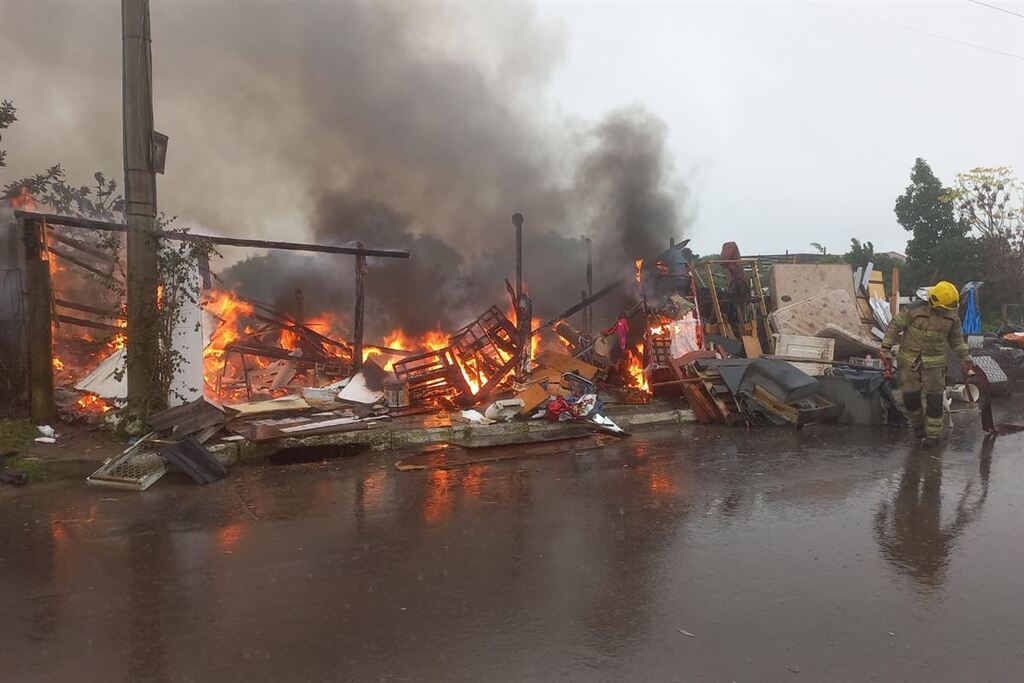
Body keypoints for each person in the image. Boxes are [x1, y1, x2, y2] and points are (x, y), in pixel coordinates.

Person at [880, 281, 973, 447]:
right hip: (910, 361)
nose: (947, 310)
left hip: (935, 365)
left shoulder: (952, 316)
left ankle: (933, 436)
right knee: (910, 399)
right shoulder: (913, 310)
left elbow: (957, 340)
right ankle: (918, 427)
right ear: (935, 303)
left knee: (935, 401)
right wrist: (885, 348)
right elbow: (894, 326)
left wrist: (966, 357)